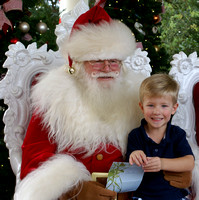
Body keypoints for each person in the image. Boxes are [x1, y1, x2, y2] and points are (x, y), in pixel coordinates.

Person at [13, 1, 192, 200]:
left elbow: (164, 140)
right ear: (78, 64)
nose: (107, 68)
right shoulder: (53, 97)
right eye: (97, 60)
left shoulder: (139, 96)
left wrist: (181, 169)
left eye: (114, 60)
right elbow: (35, 155)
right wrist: (71, 189)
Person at [126, 74, 195, 200]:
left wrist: (162, 163)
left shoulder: (177, 134)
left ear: (174, 108)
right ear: (142, 107)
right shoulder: (135, 135)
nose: (157, 112)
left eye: (164, 106)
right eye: (151, 105)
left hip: (173, 196)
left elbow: (189, 162)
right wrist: (134, 155)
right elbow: (129, 166)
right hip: (143, 196)